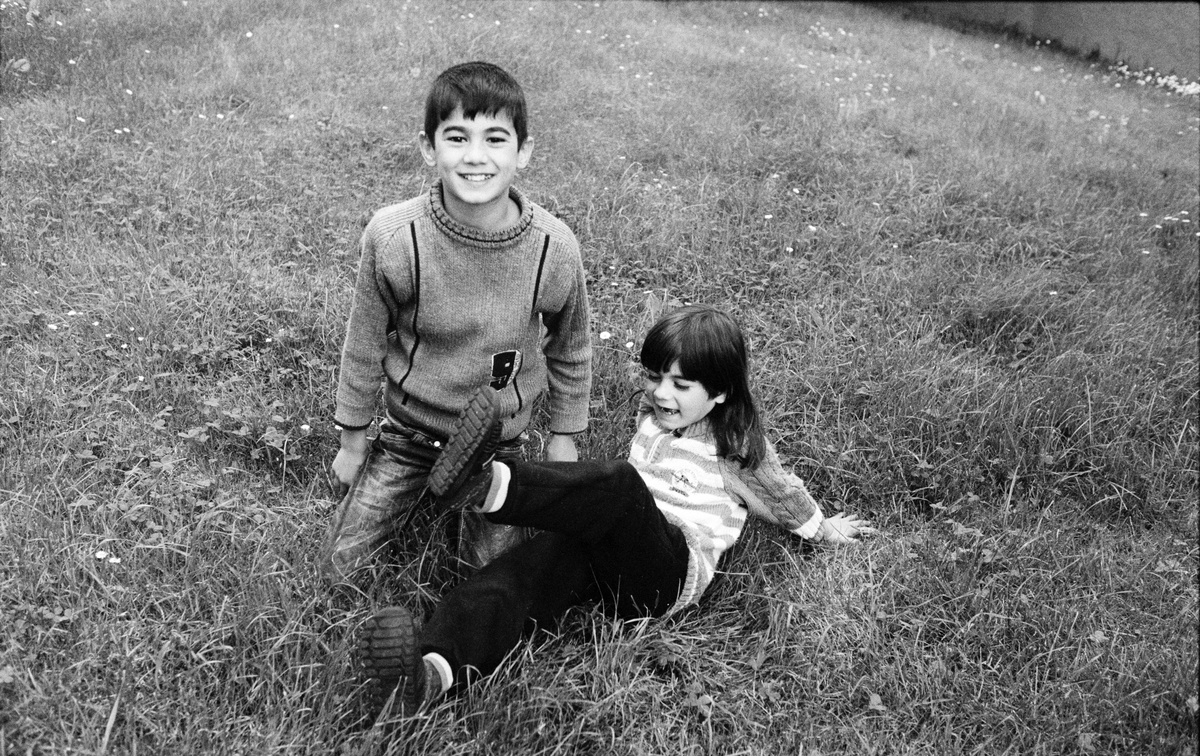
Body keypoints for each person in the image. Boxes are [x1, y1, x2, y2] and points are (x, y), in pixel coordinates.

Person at [356, 305, 874, 717]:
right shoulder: (654, 417)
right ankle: (430, 674)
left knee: (621, 486)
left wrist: (822, 528)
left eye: (680, 385)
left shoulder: (733, 443)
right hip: (607, 559)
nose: (661, 393)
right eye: (654, 377)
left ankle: (486, 486)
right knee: (517, 574)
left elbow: (780, 493)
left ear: (720, 393)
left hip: (664, 575)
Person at [323, 61, 592, 584]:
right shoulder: (393, 236)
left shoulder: (554, 248)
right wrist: (352, 445)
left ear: (523, 151)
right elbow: (363, 344)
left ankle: (477, 496)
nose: (475, 156)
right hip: (409, 435)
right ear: (429, 148)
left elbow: (572, 346)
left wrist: (564, 437)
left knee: (493, 583)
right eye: (456, 137)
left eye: (495, 138)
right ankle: (411, 485)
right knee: (339, 570)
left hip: (498, 443)